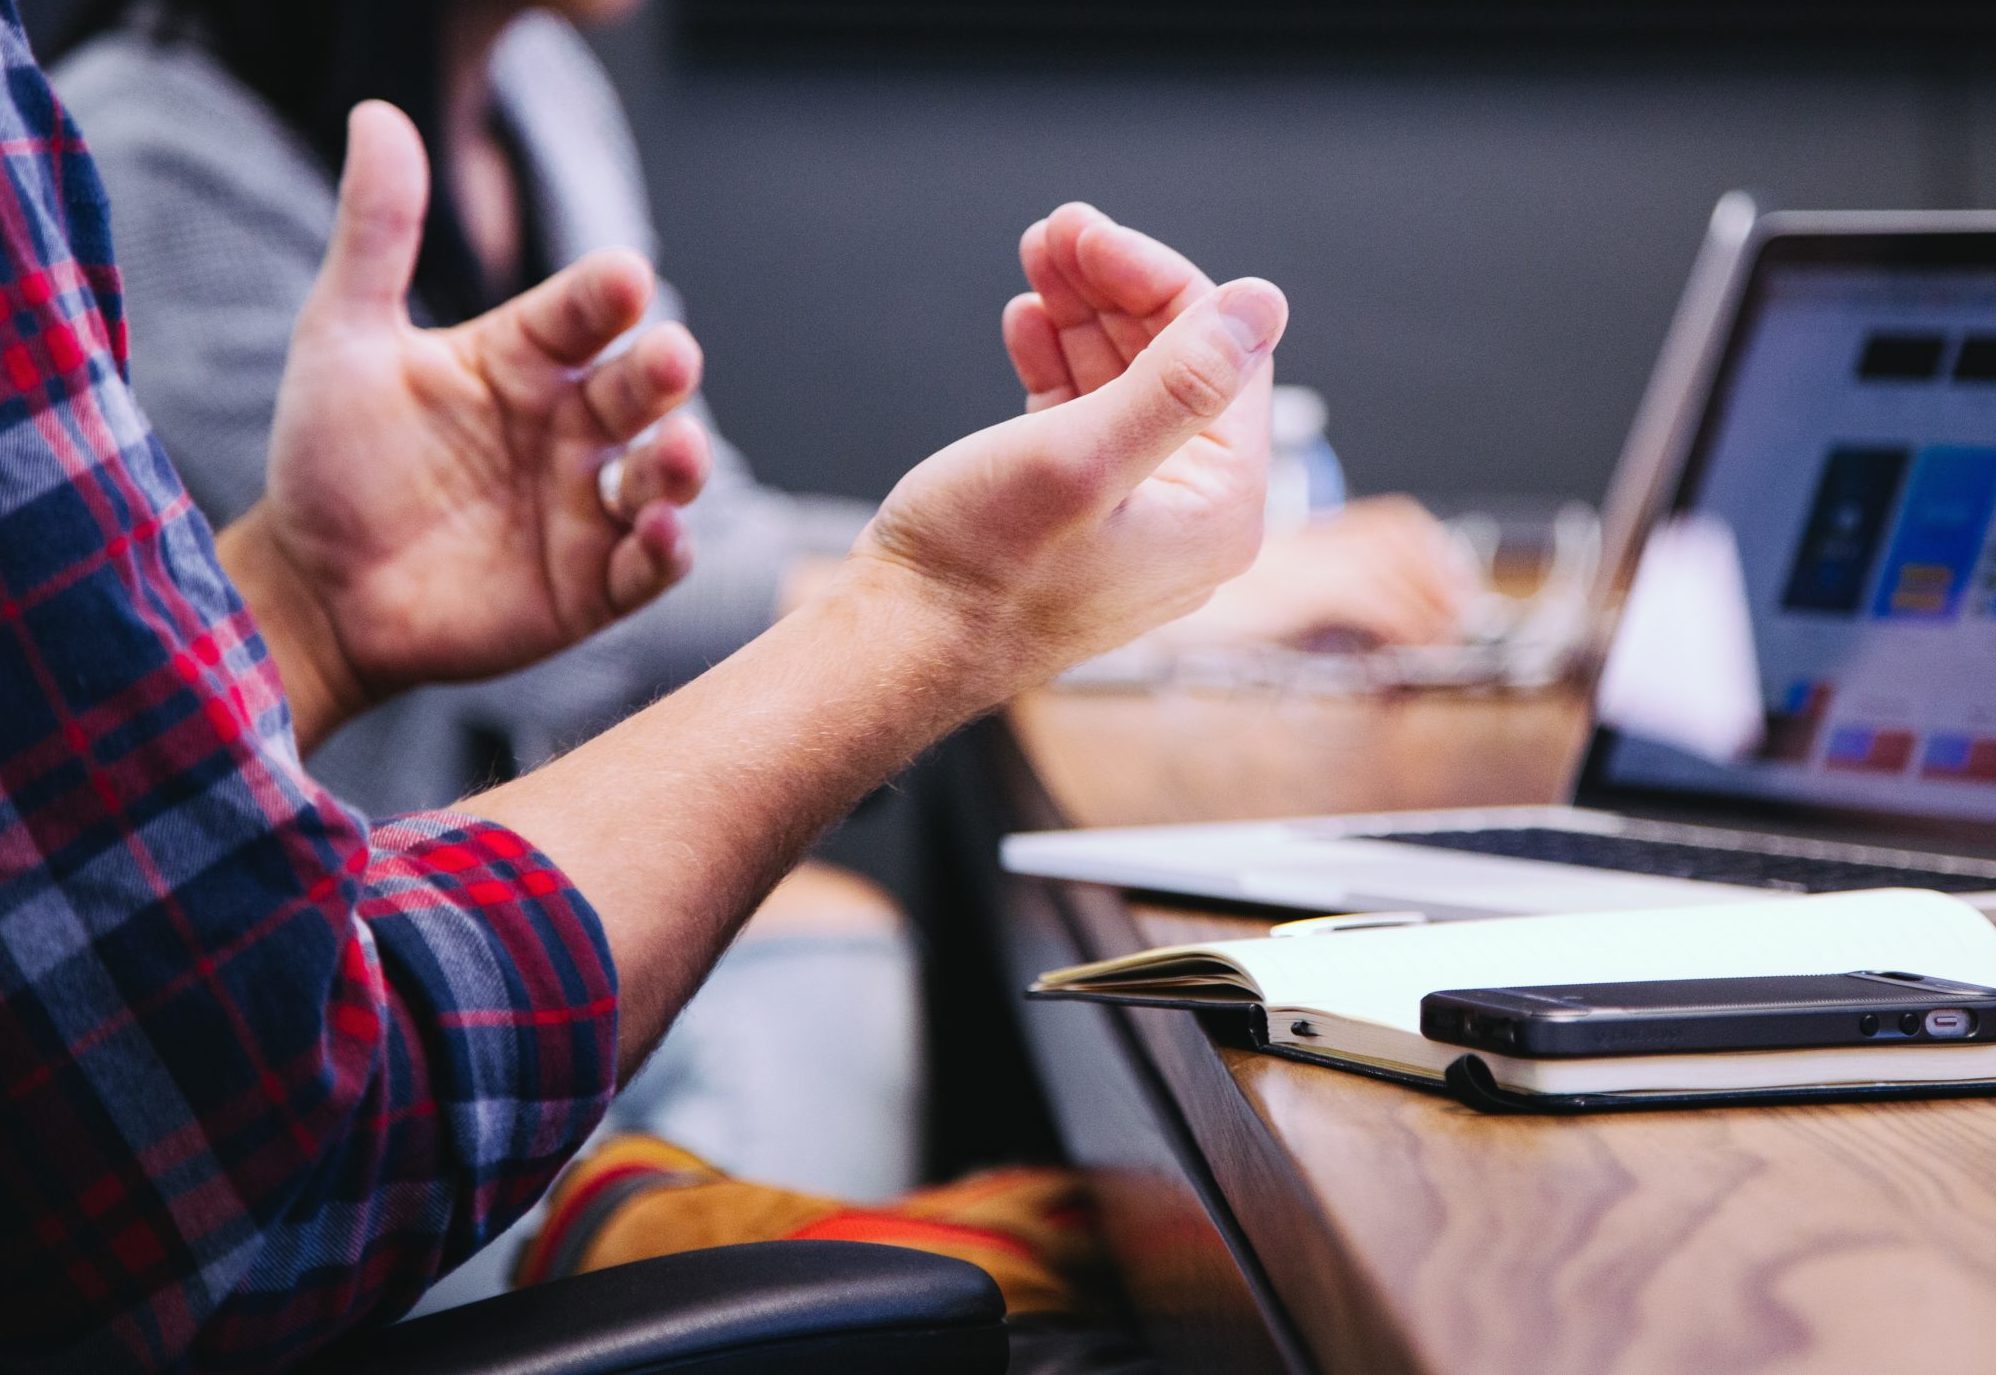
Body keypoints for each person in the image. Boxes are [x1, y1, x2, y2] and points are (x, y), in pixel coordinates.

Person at [0, 0, 1295, 1357]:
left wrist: (311, 616)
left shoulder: (543, 93)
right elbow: (251, 1113)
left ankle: (664, 1234)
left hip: (356, 1021)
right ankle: (628, 1239)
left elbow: (683, 531)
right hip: (317, 1137)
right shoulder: (150, 153)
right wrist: (959, 605)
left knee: (836, 940)